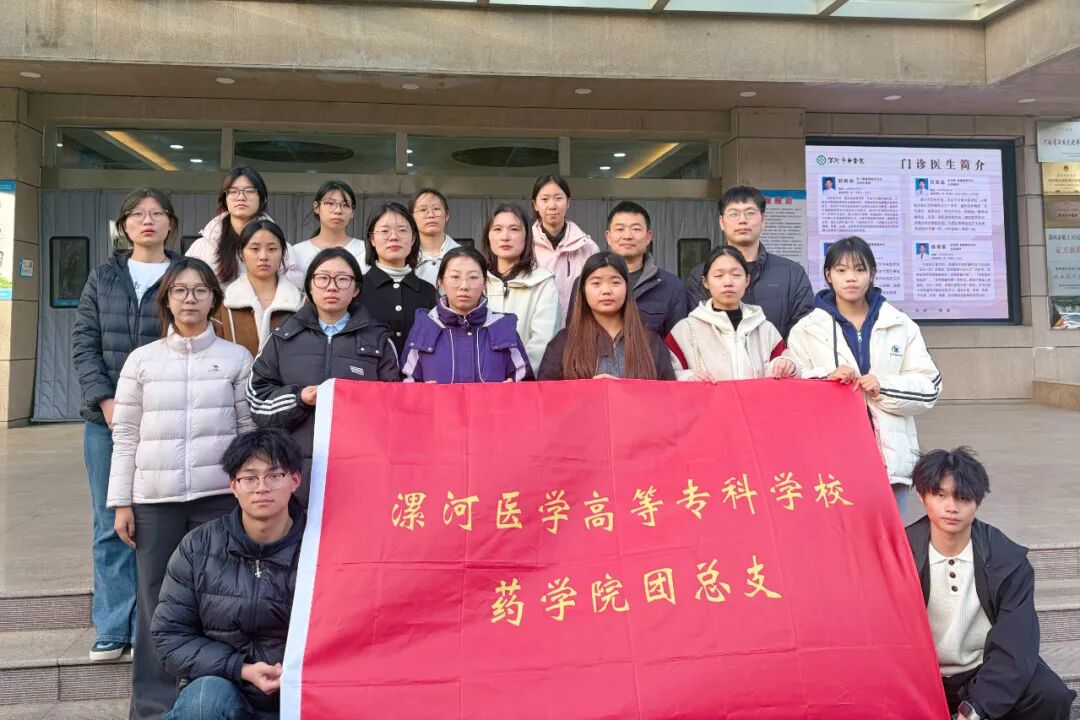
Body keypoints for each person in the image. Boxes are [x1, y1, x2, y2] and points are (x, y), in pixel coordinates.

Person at [106, 257, 256, 719]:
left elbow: (247, 431)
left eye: (200, 290)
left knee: (220, 601)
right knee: (155, 602)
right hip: (155, 501)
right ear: (166, 300)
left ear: (214, 299)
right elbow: (125, 434)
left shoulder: (236, 358)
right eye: (180, 290)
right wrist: (121, 502)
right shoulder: (142, 360)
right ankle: (153, 706)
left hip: (217, 500)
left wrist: (246, 494)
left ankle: (213, 697)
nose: (190, 299)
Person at [72, 188, 179, 662]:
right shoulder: (104, 276)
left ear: (171, 224)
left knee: (158, 521)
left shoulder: (183, 274)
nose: (147, 220)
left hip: (165, 417)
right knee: (109, 520)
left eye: (157, 213)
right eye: (137, 214)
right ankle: (113, 626)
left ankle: (151, 628)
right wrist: (106, 399)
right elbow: (84, 342)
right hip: (107, 421)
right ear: (124, 225)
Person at [906, 447, 1076, 720]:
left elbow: (1016, 642)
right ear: (922, 495)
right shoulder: (900, 554)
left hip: (982, 669)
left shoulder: (1007, 560)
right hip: (917, 673)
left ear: (979, 501)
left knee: (1050, 695)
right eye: (940, 495)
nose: (951, 507)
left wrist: (977, 708)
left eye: (962, 497)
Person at [153, 429, 306, 720]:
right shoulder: (199, 547)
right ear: (233, 486)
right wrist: (241, 669)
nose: (262, 487)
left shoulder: (323, 547)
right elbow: (170, 636)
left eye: (274, 476)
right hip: (228, 690)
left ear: (295, 480)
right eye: (249, 478)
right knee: (203, 701)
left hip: (304, 692)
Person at [786, 236, 941, 509]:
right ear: (828, 275)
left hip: (890, 458)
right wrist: (827, 380)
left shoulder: (899, 324)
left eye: (859, 269)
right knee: (838, 534)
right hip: (830, 461)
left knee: (889, 532)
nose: (851, 278)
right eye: (841, 270)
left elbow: (930, 387)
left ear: (872, 274)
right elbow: (792, 389)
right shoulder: (807, 329)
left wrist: (883, 386)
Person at [248, 248, 400, 498]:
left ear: (356, 289)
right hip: (291, 470)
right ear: (310, 286)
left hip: (360, 470)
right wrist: (300, 399)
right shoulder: (283, 336)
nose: (332, 287)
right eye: (323, 278)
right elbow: (257, 401)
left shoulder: (378, 339)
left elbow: (393, 406)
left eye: (342, 279)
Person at [683, 186, 813, 339]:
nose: (742, 220)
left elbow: (804, 334)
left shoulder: (792, 274)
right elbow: (697, 331)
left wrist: (779, 353)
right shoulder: (701, 275)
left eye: (750, 213)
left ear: (763, 220)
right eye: (733, 214)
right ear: (721, 222)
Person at [666, 246, 798, 382]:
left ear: (747, 280)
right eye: (719, 276)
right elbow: (668, 374)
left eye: (736, 275)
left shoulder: (764, 329)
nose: (728, 282)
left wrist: (788, 365)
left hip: (755, 397)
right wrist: (688, 377)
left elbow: (791, 365)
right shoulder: (686, 330)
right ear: (705, 282)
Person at [401, 246, 531, 383]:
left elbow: (526, 382)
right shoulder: (425, 326)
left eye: (473, 277)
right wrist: (421, 392)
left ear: (484, 283)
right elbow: (405, 384)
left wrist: (512, 390)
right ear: (441, 282)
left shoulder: (502, 327)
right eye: (455, 277)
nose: (464, 286)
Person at [538, 252, 675, 381]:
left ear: (627, 288)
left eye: (615, 283)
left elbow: (668, 393)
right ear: (583, 290)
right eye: (596, 283)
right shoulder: (563, 343)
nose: (606, 291)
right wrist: (589, 390)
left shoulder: (650, 342)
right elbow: (546, 394)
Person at [567, 201, 687, 337]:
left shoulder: (672, 287)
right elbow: (573, 335)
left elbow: (677, 343)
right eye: (620, 229)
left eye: (636, 229)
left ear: (648, 237)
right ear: (608, 237)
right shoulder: (584, 282)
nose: (627, 236)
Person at [482, 202, 559, 372]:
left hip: (524, 380)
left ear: (527, 236)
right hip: (481, 379)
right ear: (488, 236)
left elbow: (543, 342)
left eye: (514, 229)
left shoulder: (542, 281)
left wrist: (517, 373)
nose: (505, 237)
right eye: (497, 229)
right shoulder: (477, 280)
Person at [213, 219, 304, 357]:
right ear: (241, 253)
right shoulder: (222, 305)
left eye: (272, 249)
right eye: (254, 249)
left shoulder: (302, 303)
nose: (263, 257)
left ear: (283, 252)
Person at [360, 202, 437, 356]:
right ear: (372, 239)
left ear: (413, 238)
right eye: (385, 231)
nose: (394, 237)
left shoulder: (428, 291)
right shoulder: (356, 288)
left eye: (402, 230)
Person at [186, 167, 274, 287]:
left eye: (249, 191)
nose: (241, 197)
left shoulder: (279, 248)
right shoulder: (201, 248)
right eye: (233, 191)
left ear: (262, 198)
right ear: (225, 199)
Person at [530, 174, 599, 311]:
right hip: (535, 324)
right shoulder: (524, 246)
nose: (552, 206)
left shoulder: (588, 247)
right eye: (544, 199)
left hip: (577, 323)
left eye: (558, 198)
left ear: (568, 202)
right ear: (535, 205)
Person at [287, 180, 368, 287]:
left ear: (352, 212)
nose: (338, 210)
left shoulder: (366, 250)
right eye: (330, 203)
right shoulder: (297, 252)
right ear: (316, 207)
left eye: (345, 205)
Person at [410, 187, 459, 285]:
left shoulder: (463, 255)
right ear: (411, 217)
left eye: (436, 209)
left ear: (447, 215)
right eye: (423, 210)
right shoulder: (404, 256)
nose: (430, 215)